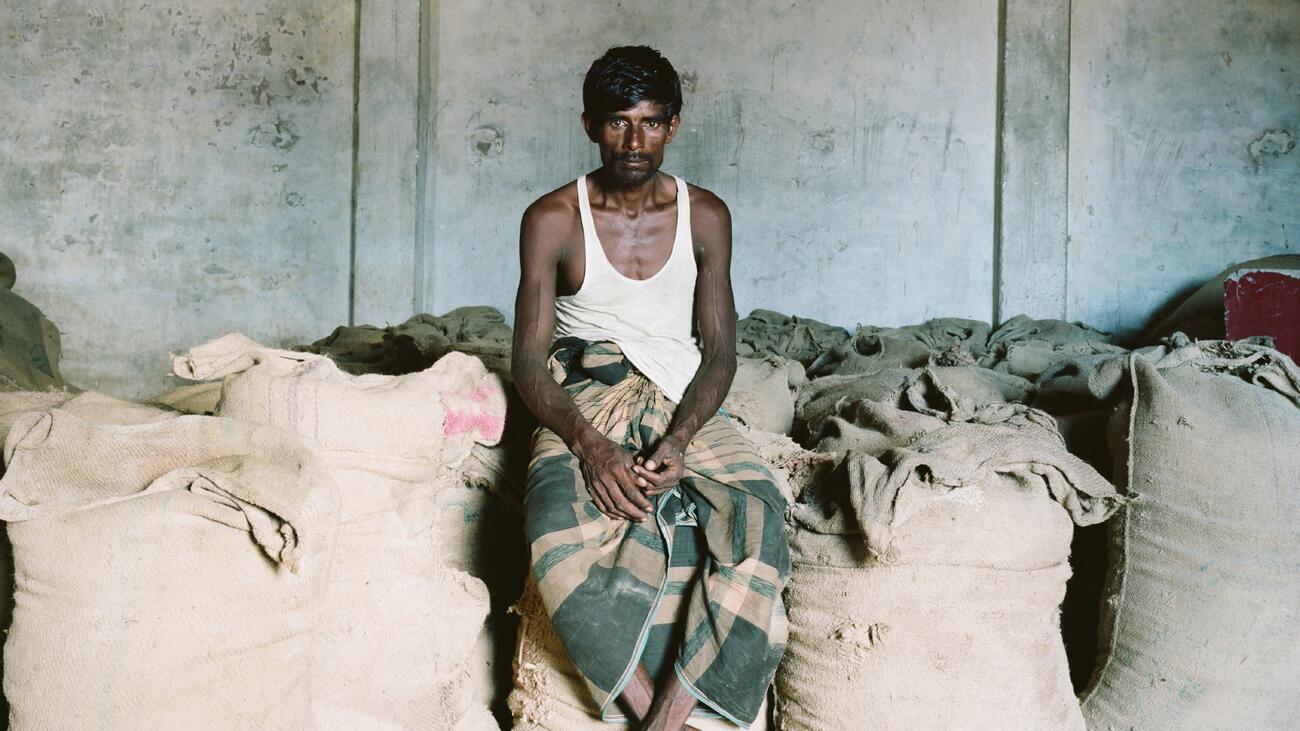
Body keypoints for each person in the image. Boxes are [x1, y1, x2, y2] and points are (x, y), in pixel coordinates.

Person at [511, 46, 789, 730]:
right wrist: (588, 444)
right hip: (587, 394)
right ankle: (642, 705)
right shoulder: (553, 218)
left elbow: (721, 351)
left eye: (650, 122)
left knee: (761, 518)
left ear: (674, 125)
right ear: (588, 125)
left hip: (679, 393)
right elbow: (526, 359)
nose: (633, 142)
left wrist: (682, 436)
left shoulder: (705, 216)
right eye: (616, 123)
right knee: (550, 524)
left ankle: (669, 715)